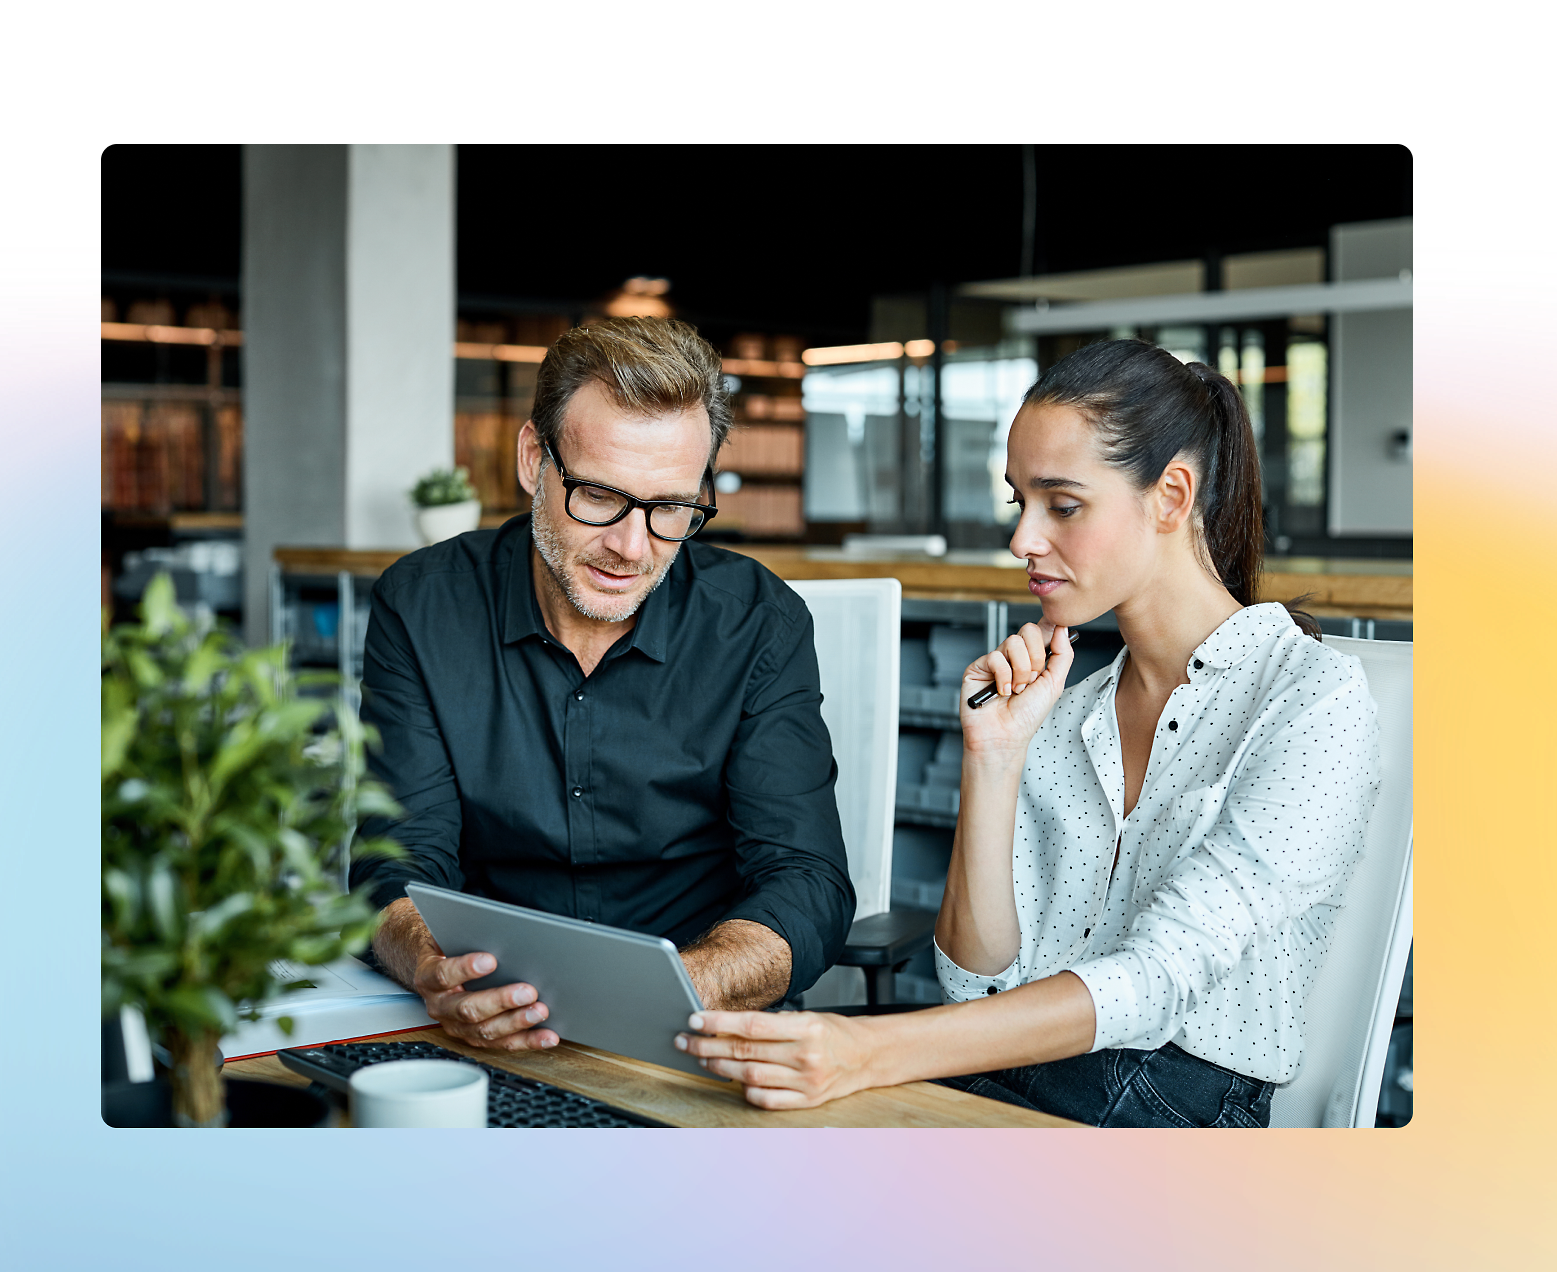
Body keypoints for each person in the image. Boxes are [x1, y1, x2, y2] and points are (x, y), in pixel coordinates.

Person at [677, 339, 1382, 1127]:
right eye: (1021, 502)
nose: (1022, 540)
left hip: (1179, 1109)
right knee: (730, 1098)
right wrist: (995, 757)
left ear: (1171, 496)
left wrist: (869, 1051)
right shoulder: (1070, 711)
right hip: (1030, 1071)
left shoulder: (1311, 700)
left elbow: (1156, 983)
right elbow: (974, 983)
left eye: (1064, 505)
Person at [353, 316, 855, 1053]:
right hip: (483, 1021)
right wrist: (434, 967)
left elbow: (805, 881)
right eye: (597, 495)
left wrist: (681, 987)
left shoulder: (758, 624)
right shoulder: (422, 606)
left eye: (671, 508)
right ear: (534, 459)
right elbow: (395, 860)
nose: (630, 546)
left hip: (694, 1029)